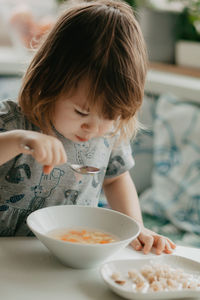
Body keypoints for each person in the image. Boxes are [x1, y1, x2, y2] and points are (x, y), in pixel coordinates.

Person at [0, 0, 176, 254]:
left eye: (111, 116)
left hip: (72, 253)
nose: (92, 128)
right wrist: (18, 140)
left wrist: (136, 228)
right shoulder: (13, 122)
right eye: (81, 112)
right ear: (49, 81)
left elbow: (116, 179)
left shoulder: (108, 135)